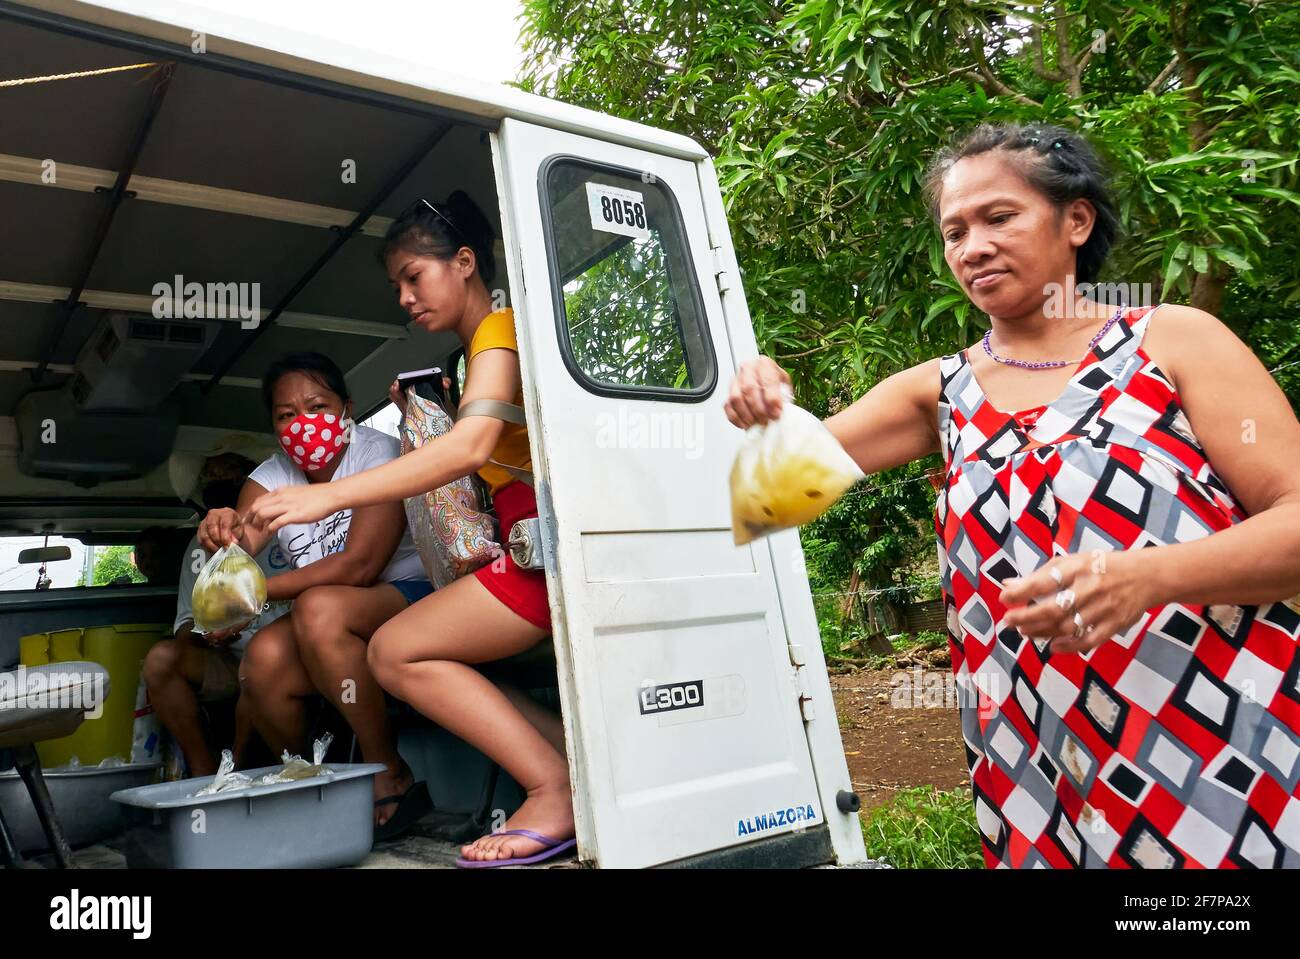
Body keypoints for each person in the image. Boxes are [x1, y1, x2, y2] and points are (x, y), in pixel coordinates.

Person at [726, 123, 1300, 868]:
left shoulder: (1173, 341)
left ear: (1076, 220)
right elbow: (767, 494)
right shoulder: (938, 392)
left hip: (1216, 752)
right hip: (1039, 769)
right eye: (954, 230)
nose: (972, 246)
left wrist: (1148, 576)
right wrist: (763, 401)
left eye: (1000, 217)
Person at [244, 192, 571, 867]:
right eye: (397, 285)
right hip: (521, 547)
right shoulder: (473, 352)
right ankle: (572, 763)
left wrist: (322, 498)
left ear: (464, 261)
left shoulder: (500, 332)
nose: (403, 297)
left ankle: (552, 786)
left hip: (545, 552)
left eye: (413, 277)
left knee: (395, 652)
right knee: (422, 649)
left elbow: (468, 452)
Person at [200, 352, 435, 839]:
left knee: (318, 606)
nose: (303, 422)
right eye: (286, 415)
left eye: (318, 406)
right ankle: (316, 779)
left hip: (404, 593)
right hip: (326, 615)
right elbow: (240, 552)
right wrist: (223, 534)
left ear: (346, 409)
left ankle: (387, 769)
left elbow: (360, 565)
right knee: (262, 658)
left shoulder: (378, 453)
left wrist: (253, 596)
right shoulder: (270, 477)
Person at [142, 451, 289, 777]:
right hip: (225, 659)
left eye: (230, 475)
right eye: (211, 478)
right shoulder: (197, 549)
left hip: (285, 655)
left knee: (260, 661)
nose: (219, 483)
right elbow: (184, 625)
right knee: (160, 659)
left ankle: (235, 768)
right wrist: (208, 634)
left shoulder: (285, 532)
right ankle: (204, 770)